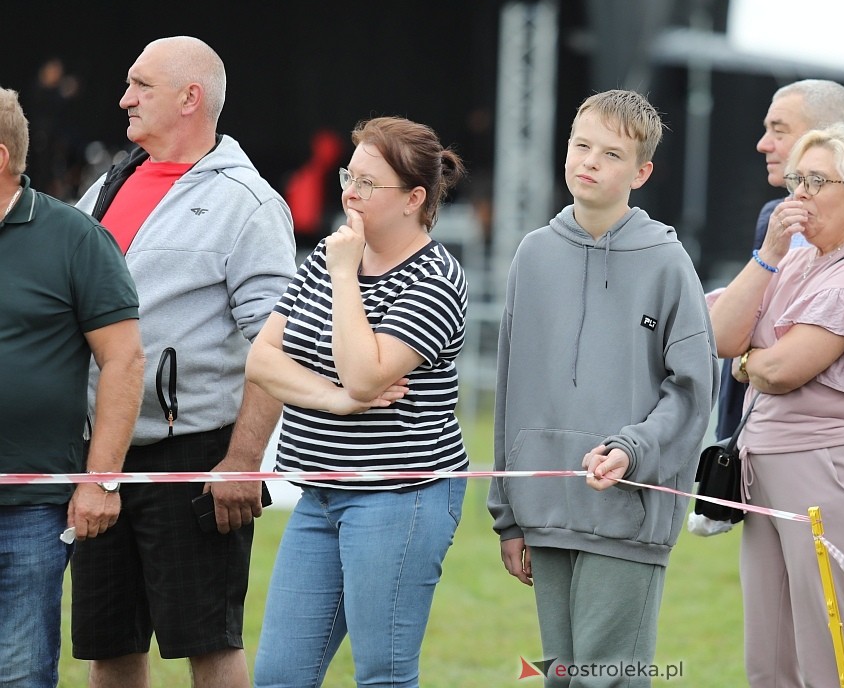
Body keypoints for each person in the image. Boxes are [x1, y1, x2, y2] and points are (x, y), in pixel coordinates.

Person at [72, 36, 296, 688]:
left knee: (209, 642)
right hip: (102, 453)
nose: (124, 99)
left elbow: (274, 342)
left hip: (195, 456)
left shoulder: (248, 204)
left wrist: (243, 460)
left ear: (189, 98)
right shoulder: (108, 185)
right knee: (106, 645)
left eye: (140, 85)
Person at [488, 89, 718, 686]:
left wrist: (633, 449)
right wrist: (508, 516)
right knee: (563, 679)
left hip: (627, 512)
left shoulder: (669, 262)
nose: (589, 161)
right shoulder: (532, 255)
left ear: (641, 172)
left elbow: (693, 391)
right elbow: (509, 392)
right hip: (542, 510)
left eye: (611, 154)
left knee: (606, 680)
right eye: (580, 144)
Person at [709, 78, 844, 688]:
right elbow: (721, 335)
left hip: (830, 481)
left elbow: (779, 369)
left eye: (816, 182)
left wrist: (749, 361)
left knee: (829, 659)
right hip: (767, 471)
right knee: (769, 662)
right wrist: (769, 254)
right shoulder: (797, 256)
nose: (798, 194)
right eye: (796, 181)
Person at [248, 115, 468, 687]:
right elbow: (262, 360)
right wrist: (335, 401)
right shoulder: (330, 254)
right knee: (277, 677)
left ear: (413, 198)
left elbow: (365, 375)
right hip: (319, 491)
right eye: (350, 175)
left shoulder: (436, 277)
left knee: (382, 675)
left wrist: (346, 276)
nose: (349, 191)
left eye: (369, 183)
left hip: (400, 496)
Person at [0, 88, 143, 688]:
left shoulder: (74, 237)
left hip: (30, 507)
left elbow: (124, 361)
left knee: (20, 671)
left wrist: (100, 478)